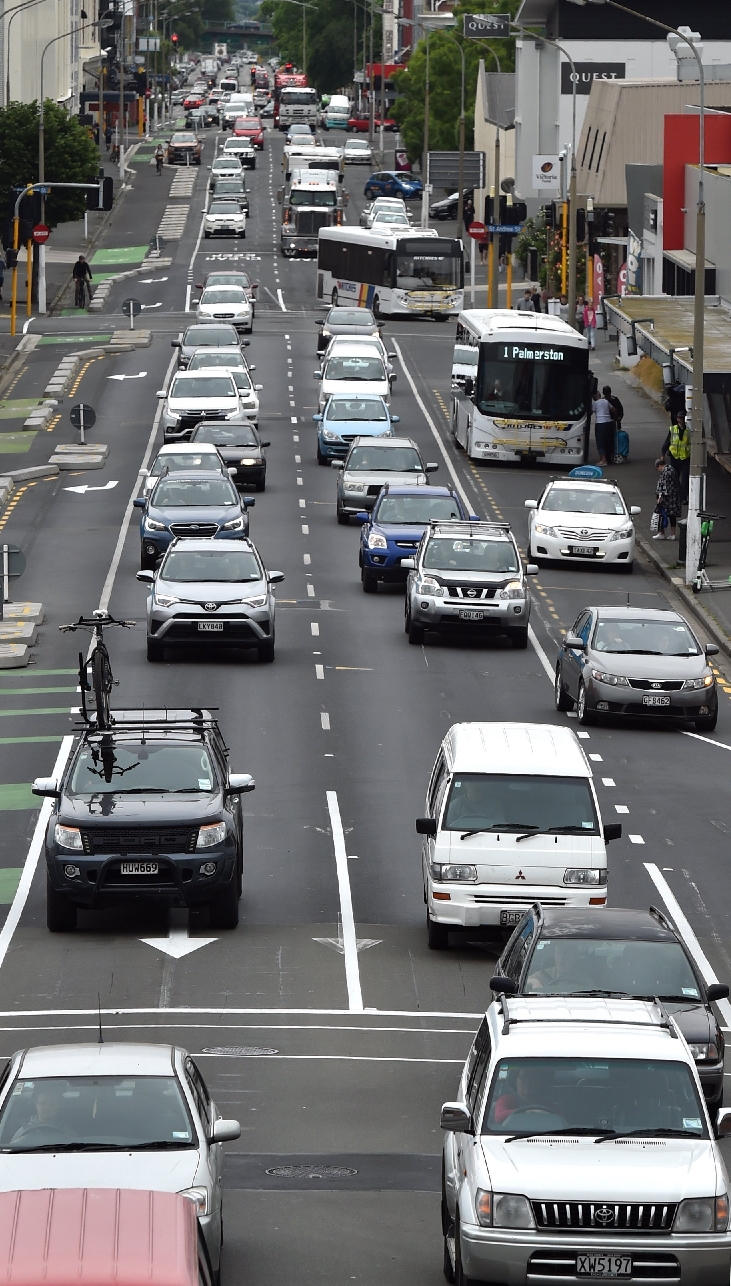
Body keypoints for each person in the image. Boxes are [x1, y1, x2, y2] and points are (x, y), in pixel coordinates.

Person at [661, 412, 690, 504]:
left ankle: (684, 497)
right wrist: (663, 454)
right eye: (679, 418)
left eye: (682, 418)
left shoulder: (689, 430)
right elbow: (667, 442)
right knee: (675, 478)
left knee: (685, 479)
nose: (680, 420)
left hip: (685, 457)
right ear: (677, 419)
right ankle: (677, 495)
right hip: (674, 457)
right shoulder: (673, 429)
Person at [654, 456, 681, 541]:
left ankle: (662, 533)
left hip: (668, 499)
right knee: (671, 516)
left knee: (661, 515)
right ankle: (671, 534)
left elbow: (665, 485)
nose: (658, 471)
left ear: (659, 466)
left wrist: (660, 496)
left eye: (657, 468)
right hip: (674, 497)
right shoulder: (670, 469)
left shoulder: (666, 472)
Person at [593, 384, 615, 467]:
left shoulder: (595, 404)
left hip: (600, 423)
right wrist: (614, 418)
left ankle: (603, 460)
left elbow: (590, 412)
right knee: (607, 441)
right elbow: (614, 410)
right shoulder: (606, 401)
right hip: (608, 422)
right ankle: (608, 458)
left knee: (600, 442)